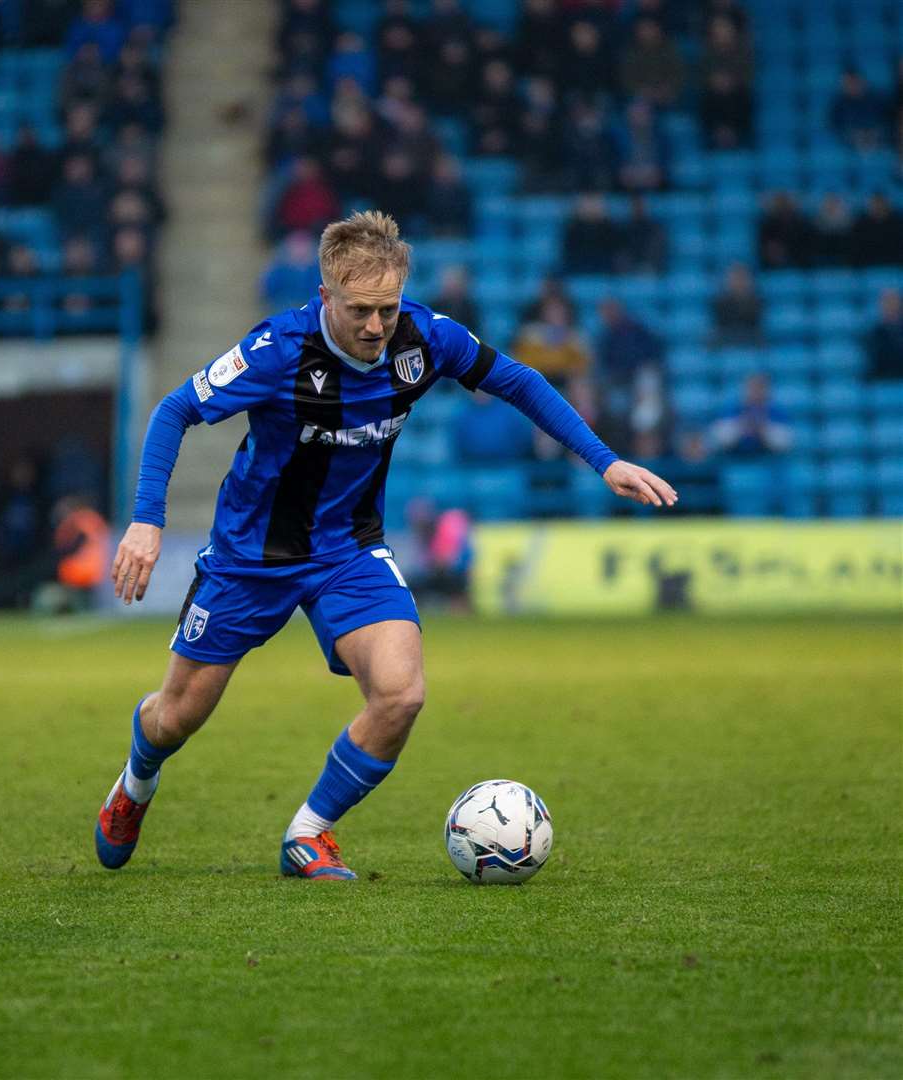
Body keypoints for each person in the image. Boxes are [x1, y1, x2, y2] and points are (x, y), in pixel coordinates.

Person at [94, 211, 676, 881]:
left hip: (348, 550)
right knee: (176, 717)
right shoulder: (277, 351)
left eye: (388, 309)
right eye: (360, 311)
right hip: (250, 557)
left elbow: (517, 380)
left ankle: (308, 834)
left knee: (401, 694)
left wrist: (603, 462)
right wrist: (145, 519)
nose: (376, 327)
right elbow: (175, 410)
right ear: (325, 299)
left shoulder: (427, 339)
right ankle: (136, 783)